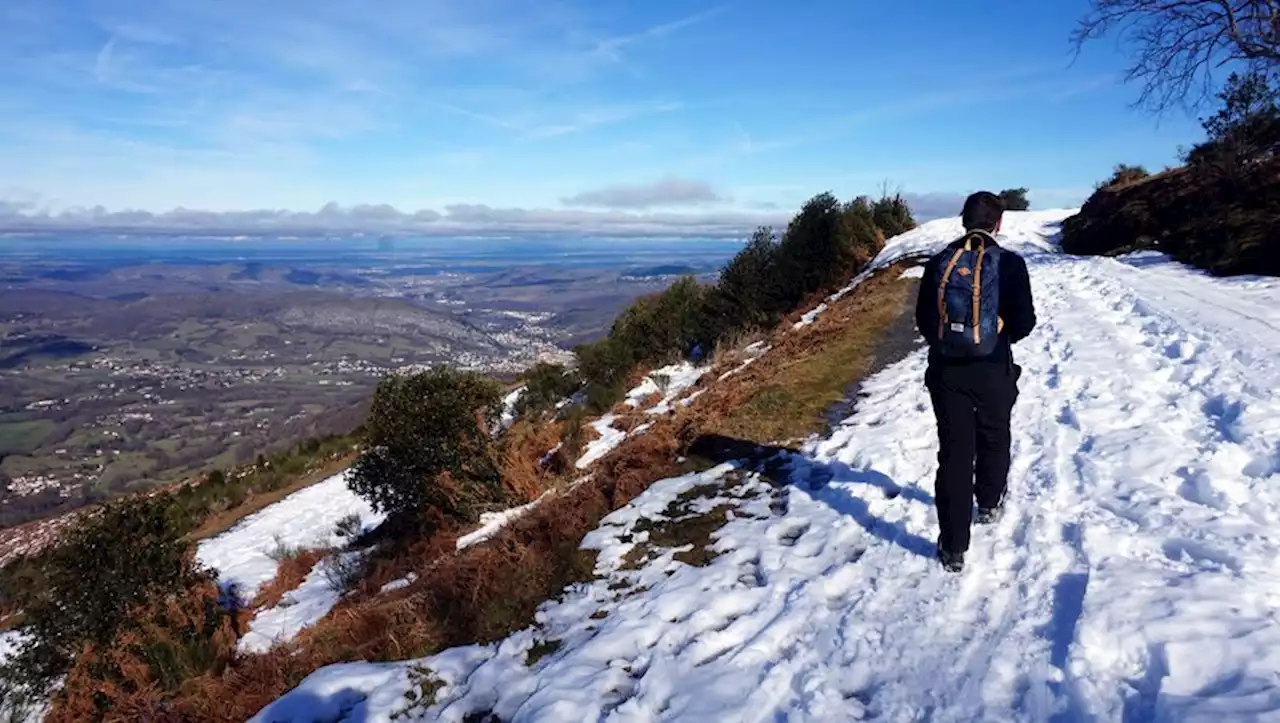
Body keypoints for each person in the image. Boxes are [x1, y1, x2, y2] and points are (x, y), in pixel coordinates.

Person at [914, 191, 1035, 573]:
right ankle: (988, 504)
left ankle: (953, 547)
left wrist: (953, 340)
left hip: (947, 371)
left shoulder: (939, 263)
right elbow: (1025, 322)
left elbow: (923, 321)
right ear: (998, 223)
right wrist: (994, 338)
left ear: (963, 220)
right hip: (993, 368)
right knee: (995, 434)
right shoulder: (1010, 264)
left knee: (953, 453)